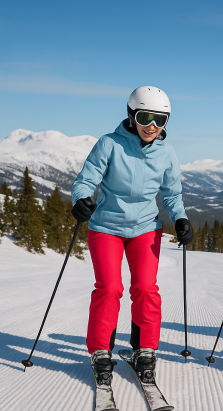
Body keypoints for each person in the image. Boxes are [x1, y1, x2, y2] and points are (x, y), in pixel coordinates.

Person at [70, 86, 194, 386]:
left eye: (160, 120)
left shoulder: (167, 152)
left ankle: (145, 350)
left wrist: (180, 219)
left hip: (145, 229)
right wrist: (81, 200)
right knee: (110, 288)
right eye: (145, 117)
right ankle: (101, 351)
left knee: (145, 289)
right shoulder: (109, 144)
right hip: (106, 227)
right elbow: (86, 180)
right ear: (131, 115)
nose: (152, 125)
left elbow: (173, 194)